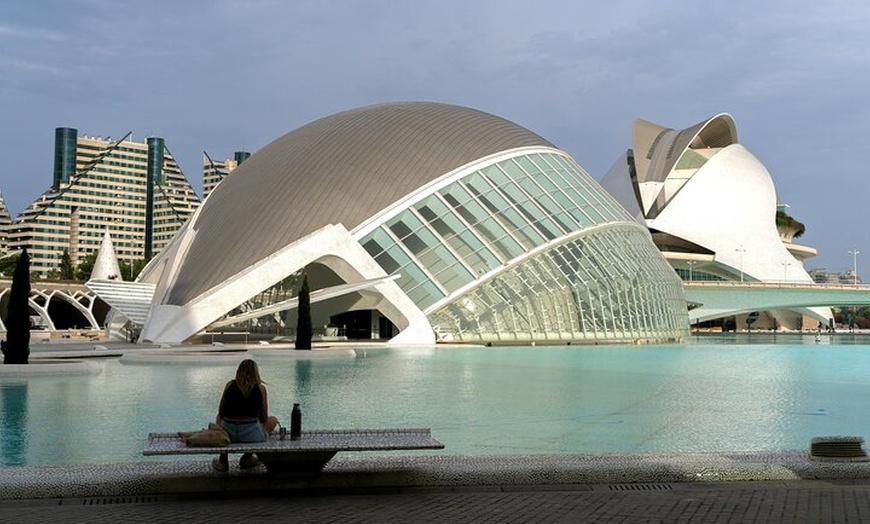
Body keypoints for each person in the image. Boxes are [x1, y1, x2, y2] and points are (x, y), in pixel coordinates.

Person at [213, 359, 279, 472]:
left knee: (218, 418)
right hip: (251, 435)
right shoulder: (260, 388)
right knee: (273, 420)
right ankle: (247, 457)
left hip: (228, 434)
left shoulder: (229, 385)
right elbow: (264, 418)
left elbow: (221, 412)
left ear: (238, 371)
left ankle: (223, 460)